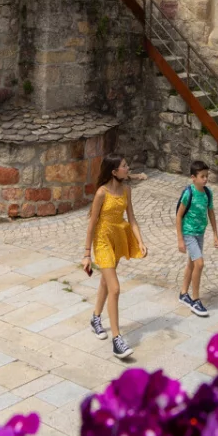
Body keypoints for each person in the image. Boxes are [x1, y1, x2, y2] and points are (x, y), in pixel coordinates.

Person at [82, 154, 147, 359]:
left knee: (105, 282)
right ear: (114, 171)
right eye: (124, 166)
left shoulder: (126, 190)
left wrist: (140, 241)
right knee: (115, 288)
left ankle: (95, 318)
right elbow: (92, 223)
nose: (128, 168)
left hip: (118, 237)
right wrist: (86, 254)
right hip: (102, 240)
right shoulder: (102, 193)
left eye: (127, 165)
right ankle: (117, 340)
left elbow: (132, 219)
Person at [176, 159, 218, 317]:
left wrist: (215, 234)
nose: (205, 179)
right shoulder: (189, 193)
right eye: (202, 176)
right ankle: (195, 300)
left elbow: (211, 212)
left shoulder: (208, 193)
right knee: (199, 264)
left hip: (200, 232)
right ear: (193, 177)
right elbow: (179, 215)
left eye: (207, 176)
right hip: (188, 233)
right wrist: (180, 239)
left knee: (192, 264)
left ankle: (183, 294)